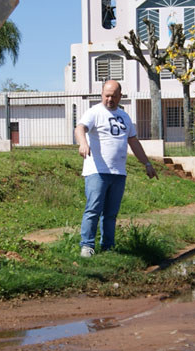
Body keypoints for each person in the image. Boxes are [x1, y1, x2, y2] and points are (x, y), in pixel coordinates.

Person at [74, 80, 158, 257]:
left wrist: (147, 163)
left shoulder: (125, 117)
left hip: (118, 173)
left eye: (113, 96)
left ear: (120, 96)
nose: (109, 99)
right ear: (102, 94)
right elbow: (80, 128)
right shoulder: (94, 112)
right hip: (97, 171)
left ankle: (108, 247)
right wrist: (82, 143)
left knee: (111, 213)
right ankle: (87, 245)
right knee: (93, 209)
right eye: (106, 95)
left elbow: (133, 141)